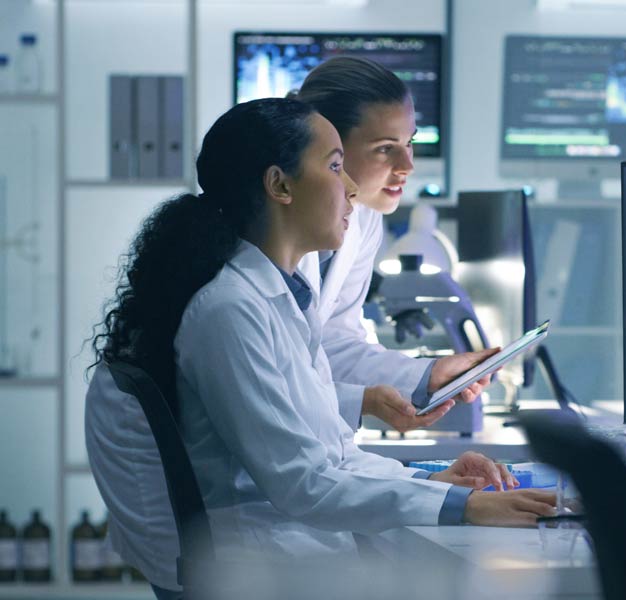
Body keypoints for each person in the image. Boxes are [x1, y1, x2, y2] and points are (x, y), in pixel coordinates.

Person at [86, 98, 555, 600]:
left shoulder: (279, 296)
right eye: (335, 166)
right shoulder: (229, 309)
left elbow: (330, 453)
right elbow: (304, 483)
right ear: (279, 185)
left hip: (295, 552)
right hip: (267, 566)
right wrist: (463, 506)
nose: (352, 187)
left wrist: (436, 480)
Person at [288, 57, 494, 432]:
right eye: (385, 148)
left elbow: (332, 343)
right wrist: (364, 402)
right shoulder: (262, 244)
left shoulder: (363, 218)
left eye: (409, 143)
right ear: (327, 146)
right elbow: (278, 386)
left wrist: (427, 374)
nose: (407, 165)